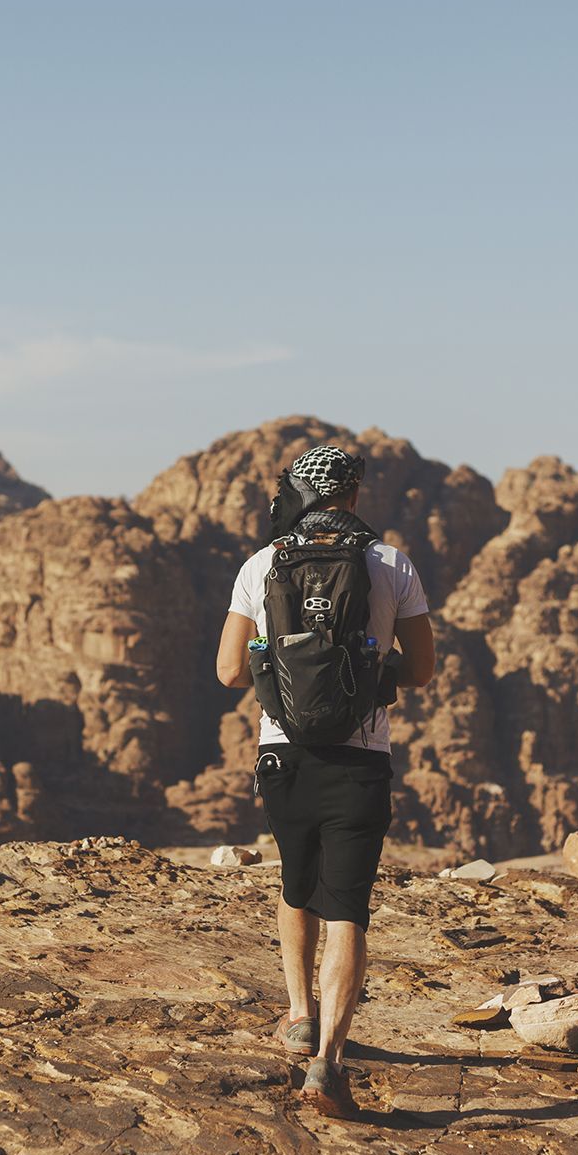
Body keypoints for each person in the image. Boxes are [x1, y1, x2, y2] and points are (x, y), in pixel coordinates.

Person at [214, 443, 436, 1119]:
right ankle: (328, 1066)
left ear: (299, 491)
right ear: (354, 493)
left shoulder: (262, 564)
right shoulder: (391, 563)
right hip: (360, 757)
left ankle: (300, 1016)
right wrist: (368, 677)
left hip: (284, 754)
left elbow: (227, 671)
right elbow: (422, 669)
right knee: (347, 906)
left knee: (295, 883)